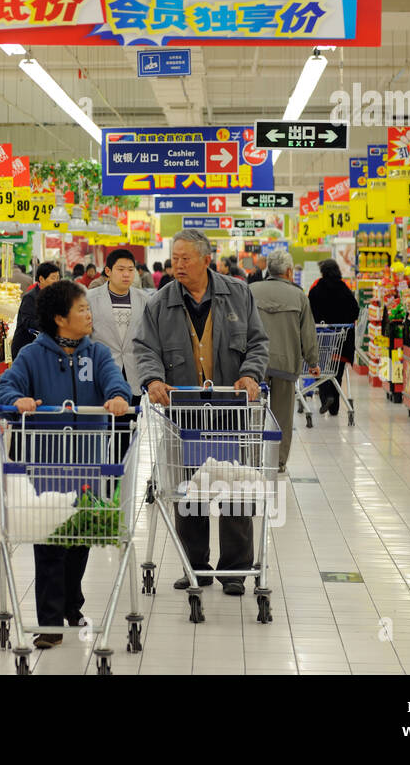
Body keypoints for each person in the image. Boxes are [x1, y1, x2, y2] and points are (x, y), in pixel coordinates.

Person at [0, 280, 130, 648]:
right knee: (50, 542)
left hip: (87, 467)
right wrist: (17, 400)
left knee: (80, 539)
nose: (89, 315)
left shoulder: (97, 355)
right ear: (59, 318)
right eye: (82, 309)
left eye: (88, 309)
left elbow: (115, 383)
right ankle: (50, 622)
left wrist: (117, 398)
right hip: (47, 470)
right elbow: (4, 389)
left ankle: (73, 604)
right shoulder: (32, 356)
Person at [132, 229, 269, 596]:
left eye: (185, 258)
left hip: (229, 410)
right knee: (187, 490)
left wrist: (250, 373)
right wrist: (153, 379)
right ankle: (195, 567)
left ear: (206, 260)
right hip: (184, 413)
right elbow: (145, 348)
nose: (178, 264)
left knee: (233, 488)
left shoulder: (238, 294)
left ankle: (236, 570)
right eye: (174, 258)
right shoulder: (159, 303)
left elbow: (258, 342)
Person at [250, 251, 319, 473]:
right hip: (286, 365)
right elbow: (308, 333)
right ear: (289, 271)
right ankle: (278, 461)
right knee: (282, 416)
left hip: (254, 364)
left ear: (268, 269)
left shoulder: (251, 291)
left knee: (252, 413)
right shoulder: (299, 297)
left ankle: (251, 457)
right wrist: (313, 361)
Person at [87, 249, 150, 401]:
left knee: (131, 421)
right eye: (121, 269)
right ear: (108, 271)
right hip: (102, 369)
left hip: (133, 372)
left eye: (130, 270)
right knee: (104, 420)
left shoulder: (144, 300)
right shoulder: (90, 298)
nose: (126, 274)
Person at [307, 258, 360, 416]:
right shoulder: (344, 288)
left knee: (321, 371)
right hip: (342, 342)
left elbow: (309, 311)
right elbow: (355, 310)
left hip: (322, 338)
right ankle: (335, 407)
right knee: (337, 373)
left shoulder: (317, 288)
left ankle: (326, 397)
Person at [10, 261, 61, 359]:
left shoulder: (54, 297)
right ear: (41, 279)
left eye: (58, 278)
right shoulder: (30, 297)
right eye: (53, 278)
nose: (57, 281)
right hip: (26, 348)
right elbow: (28, 322)